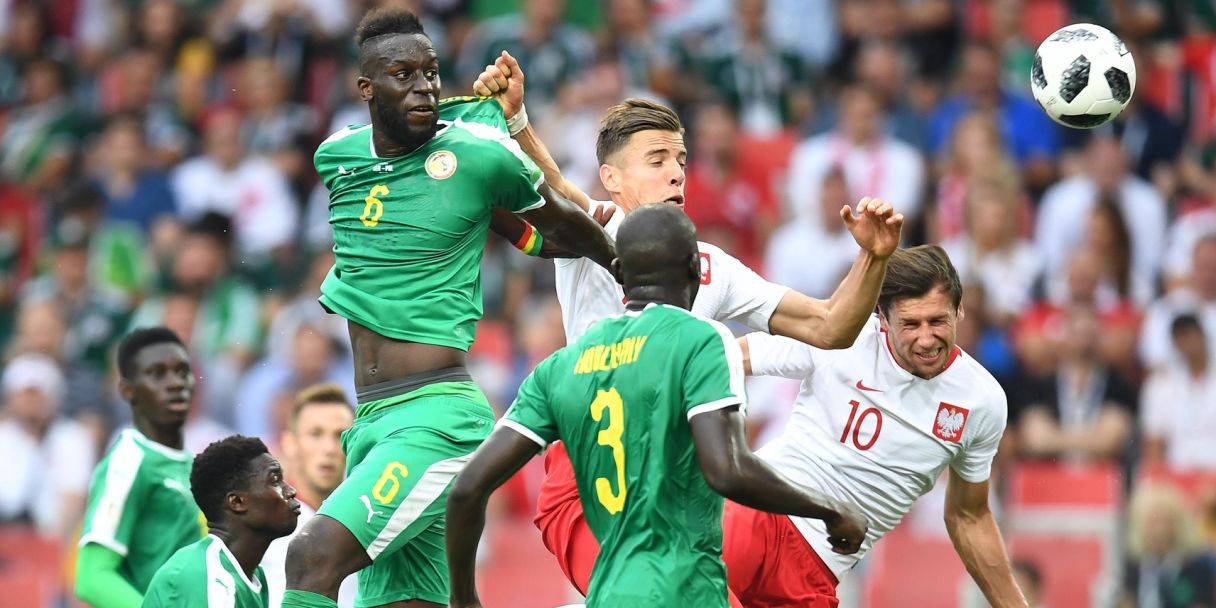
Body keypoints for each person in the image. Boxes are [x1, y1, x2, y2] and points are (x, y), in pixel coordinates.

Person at [471, 51, 903, 597]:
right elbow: (556, 188)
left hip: (677, 482)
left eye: (680, 158)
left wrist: (873, 258)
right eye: (656, 159)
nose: (677, 171)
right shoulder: (598, 228)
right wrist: (515, 122)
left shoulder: (711, 265)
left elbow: (829, 327)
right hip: (592, 478)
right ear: (613, 179)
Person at [282, 8, 616, 608]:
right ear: (365, 89)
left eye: (432, 74)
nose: (424, 88)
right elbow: (417, 134)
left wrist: (631, 269)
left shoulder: (477, 158)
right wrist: (473, 106)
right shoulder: (335, 156)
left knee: (310, 560)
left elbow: (560, 232)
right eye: (402, 74)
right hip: (372, 422)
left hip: (438, 418)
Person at [445, 205, 868, 608]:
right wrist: (830, 511)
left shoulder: (559, 366)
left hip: (608, 588)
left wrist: (463, 597)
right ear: (696, 272)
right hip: (688, 588)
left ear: (620, 274)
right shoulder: (700, 339)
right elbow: (727, 469)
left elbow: (467, 488)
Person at [733, 245, 1025, 606]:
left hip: (816, 572)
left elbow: (968, 515)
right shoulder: (842, 333)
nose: (926, 338)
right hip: (756, 513)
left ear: (960, 310)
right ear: (882, 319)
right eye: (910, 324)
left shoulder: (982, 400)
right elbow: (729, 357)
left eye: (937, 321)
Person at [75, 327, 208, 608]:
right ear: (127, 390)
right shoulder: (129, 462)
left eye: (182, 371)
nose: (175, 383)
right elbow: (92, 577)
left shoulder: (191, 465)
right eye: (157, 374)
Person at [143, 435, 301, 607]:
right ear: (237, 502)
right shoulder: (206, 576)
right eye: (275, 480)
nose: (291, 490)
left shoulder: (253, 574)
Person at [263, 384, 358, 608]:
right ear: (290, 444)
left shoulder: (372, 522)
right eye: (315, 434)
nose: (329, 448)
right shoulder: (263, 528)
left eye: (340, 435)